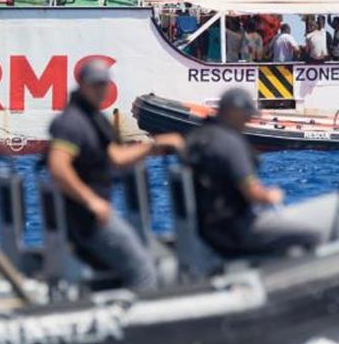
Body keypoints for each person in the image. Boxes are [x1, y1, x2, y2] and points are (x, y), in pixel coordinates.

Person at [48, 60, 183, 289]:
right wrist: (91, 202)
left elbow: (116, 158)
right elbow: (58, 167)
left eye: (104, 84)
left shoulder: (94, 120)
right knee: (143, 270)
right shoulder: (71, 123)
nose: (101, 90)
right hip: (87, 218)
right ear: (82, 85)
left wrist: (154, 146)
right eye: (95, 85)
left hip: (96, 215)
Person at [186, 88, 321, 259]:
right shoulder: (229, 143)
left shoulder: (199, 137)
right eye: (246, 115)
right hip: (233, 228)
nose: (248, 120)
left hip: (206, 228)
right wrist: (271, 195)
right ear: (233, 113)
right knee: (312, 235)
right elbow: (252, 193)